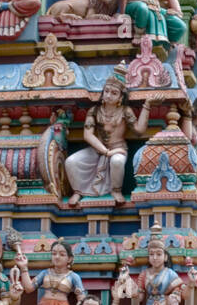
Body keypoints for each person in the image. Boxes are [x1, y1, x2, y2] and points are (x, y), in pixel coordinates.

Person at [64, 66, 152, 205]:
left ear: (120, 97)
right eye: (106, 91)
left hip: (118, 148)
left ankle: (116, 190)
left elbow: (139, 130)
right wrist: (106, 152)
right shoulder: (94, 111)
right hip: (97, 150)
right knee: (71, 161)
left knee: (117, 162)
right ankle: (78, 191)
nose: (109, 95)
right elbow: (88, 135)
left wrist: (147, 106)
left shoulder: (125, 111)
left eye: (114, 93)